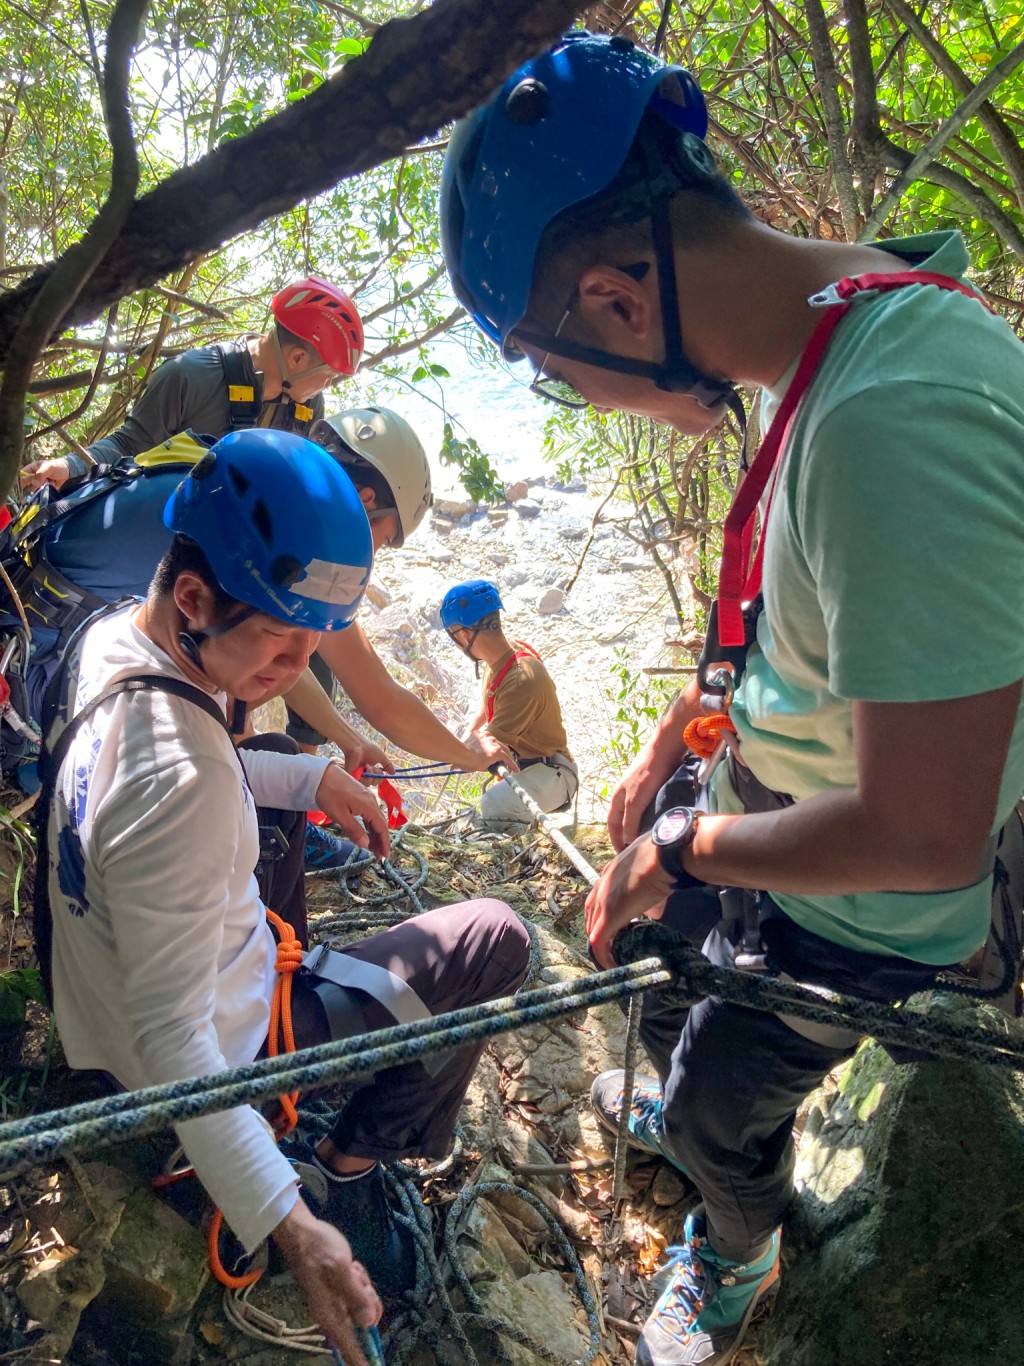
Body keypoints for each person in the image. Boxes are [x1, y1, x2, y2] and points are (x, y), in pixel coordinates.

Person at [440, 30, 1024, 1366]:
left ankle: (739, 1239)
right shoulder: (837, 359)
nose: (577, 398)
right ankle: (696, 1097)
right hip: (786, 809)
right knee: (648, 945)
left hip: (873, 907)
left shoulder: (896, 415)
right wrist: (678, 747)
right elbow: (822, 637)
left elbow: (925, 831)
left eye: (550, 368)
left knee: (712, 1099)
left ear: (614, 301)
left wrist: (685, 841)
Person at [41, 428, 531, 1361]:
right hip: (186, 1053)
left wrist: (311, 780)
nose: (295, 665)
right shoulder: (179, 783)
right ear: (194, 597)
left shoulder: (112, 638)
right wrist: (290, 1222)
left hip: (98, 995)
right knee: (493, 939)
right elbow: (173, 1039)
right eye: (279, 640)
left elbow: (208, 764)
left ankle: (309, 1106)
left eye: (315, 642)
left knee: (271, 752)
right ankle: (345, 1167)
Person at [21, 276, 363, 491]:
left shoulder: (306, 407)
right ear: (298, 360)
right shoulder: (192, 375)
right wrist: (69, 466)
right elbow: (131, 442)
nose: (328, 387)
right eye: (329, 376)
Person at [440, 579, 576, 827]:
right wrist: (469, 733)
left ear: (464, 634)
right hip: (532, 768)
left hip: (553, 773)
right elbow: (492, 701)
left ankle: (524, 855)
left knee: (495, 806)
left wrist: (450, 753)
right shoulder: (504, 657)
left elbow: (481, 753)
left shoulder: (521, 680)